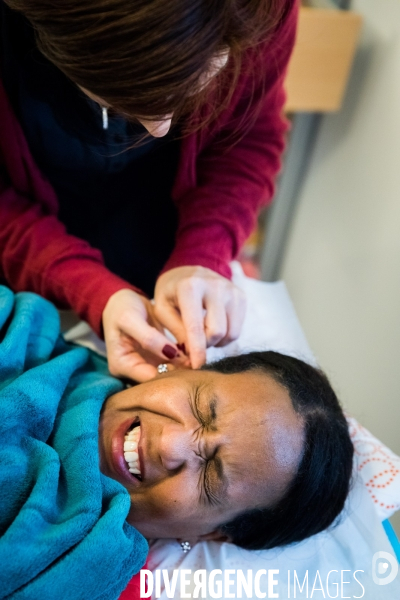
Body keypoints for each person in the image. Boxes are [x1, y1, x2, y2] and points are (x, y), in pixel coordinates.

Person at [0, 0, 298, 382]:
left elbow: (246, 138)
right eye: (128, 100)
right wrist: (88, 287)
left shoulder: (262, 11)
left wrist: (204, 253)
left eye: (190, 90)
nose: (161, 128)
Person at [0, 288, 353, 599]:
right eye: (201, 407)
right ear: (183, 367)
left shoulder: (84, 574)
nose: (169, 445)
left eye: (211, 477)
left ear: (211, 533)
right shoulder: (21, 331)